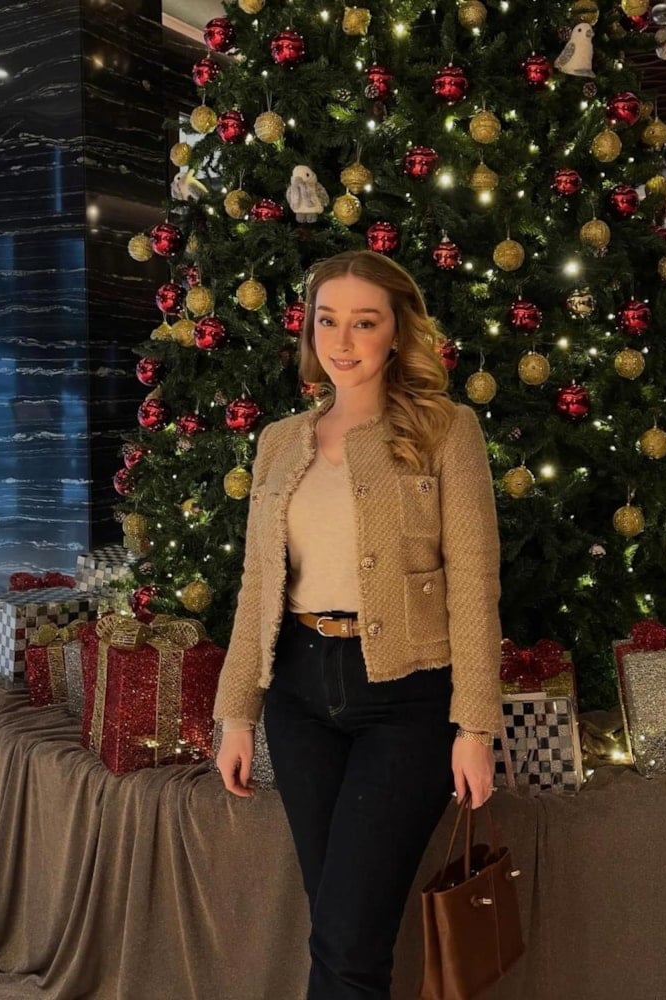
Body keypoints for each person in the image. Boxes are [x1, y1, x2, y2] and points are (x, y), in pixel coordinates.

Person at [214, 249, 503, 999]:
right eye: (327, 320)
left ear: (397, 332)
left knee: (347, 936)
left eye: (364, 323)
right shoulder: (280, 440)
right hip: (299, 696)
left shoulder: (446, 430)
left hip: (406, 701)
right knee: (340, 927)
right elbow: (257, 586)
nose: (342, 341)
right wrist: (237, 715)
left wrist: (475, 727)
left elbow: (475, 583)